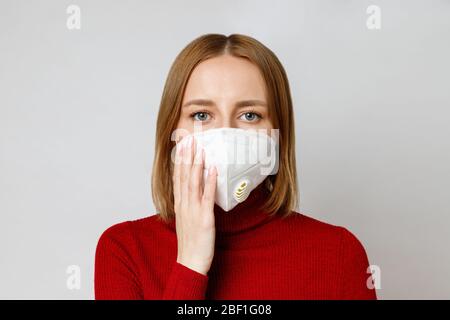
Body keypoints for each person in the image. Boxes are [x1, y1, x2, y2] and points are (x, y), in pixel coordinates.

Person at [94, 33, 377, 300]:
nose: (226, 132)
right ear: (172, 132)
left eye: (250, 115)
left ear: (278, 135)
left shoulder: (337, 253)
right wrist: (190, 264)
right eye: (201, 114)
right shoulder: (125, 249)